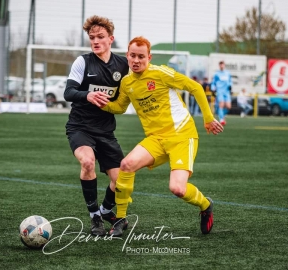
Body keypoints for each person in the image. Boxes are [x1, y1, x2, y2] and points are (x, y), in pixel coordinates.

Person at [98, 36, 224, 237]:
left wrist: (208, 118)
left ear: (149, 57)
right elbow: (119, 107)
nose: (136, 60)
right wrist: (97, 101)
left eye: (141, 56)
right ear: (127, 56)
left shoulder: (161, 73)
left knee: (177, 189)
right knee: (126, 165)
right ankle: (120, 220)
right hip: (156, 139)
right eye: (133, 56)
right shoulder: (127, 82)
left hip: (182, 136)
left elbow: (195, 87)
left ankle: (205, 204)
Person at [63, 15, 130, 236]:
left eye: (100, 37)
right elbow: (68, 92)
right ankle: (95, 218)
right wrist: (88, 95)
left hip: (106, 131)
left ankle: (105, 210)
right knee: (87, 162)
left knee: (120, 180)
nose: (95, 41)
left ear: (111, 39)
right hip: (80, 127)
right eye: (92, 37)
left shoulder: (123, 65)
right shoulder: (83, 62)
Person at [210, 61, 232, 126]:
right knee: (221, 105)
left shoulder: (227, 73)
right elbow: (213, 83)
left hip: (227, 91)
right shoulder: (217, 74)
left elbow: (230, 81)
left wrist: (230, 87)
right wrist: (213, 90)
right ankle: (221, 120)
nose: (222, 66)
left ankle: (222, 115)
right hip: (220, 91)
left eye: (223, 65)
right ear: (219, 66)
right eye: (220, 65)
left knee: (228, 106)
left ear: (224, 65)